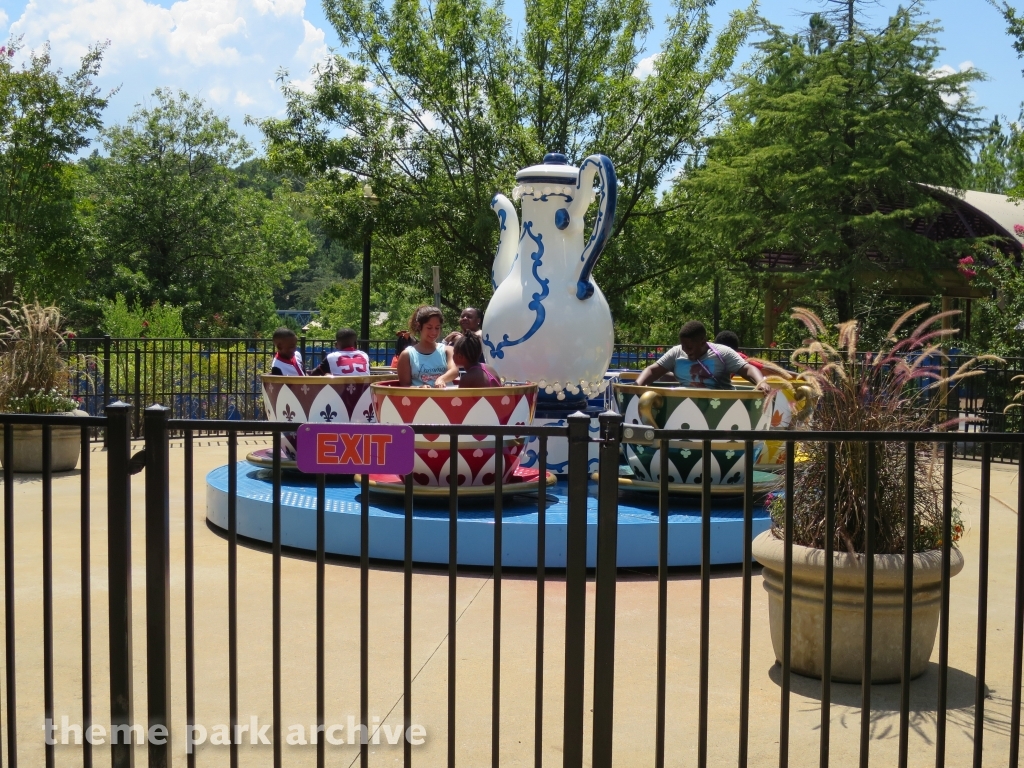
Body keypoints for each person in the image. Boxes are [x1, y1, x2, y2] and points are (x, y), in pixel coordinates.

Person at [636, 320, 770, 393]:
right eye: (683, 346)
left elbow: (748, 369)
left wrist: (761, 382)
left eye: (689, 347)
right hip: (686, 404)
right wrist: (637, 386)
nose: (685, 351)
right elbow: (652, 370)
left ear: (702, 341)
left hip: (719, 404)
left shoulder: (722, 353)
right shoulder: (676, 353)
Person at [397, 306, 459, 388]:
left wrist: (442, 379)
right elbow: (405, 386)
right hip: (419, 400)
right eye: (429, 328)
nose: (434, 332)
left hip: (446, 399)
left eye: (437, 328)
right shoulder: (407, 355)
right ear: (419, 326)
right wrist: (419, 388)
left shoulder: (447, 350)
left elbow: (454, 371)